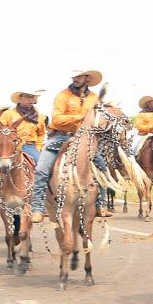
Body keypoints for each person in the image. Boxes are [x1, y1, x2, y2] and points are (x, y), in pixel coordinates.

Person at [31, 69, 109, 223]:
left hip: (84, 139)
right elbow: (57, 118)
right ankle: (38, 208)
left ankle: (100, 204)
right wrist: (80, 117)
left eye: (79, 76)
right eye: (74, 76)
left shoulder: (94, 98)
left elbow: (99, 118)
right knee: (41, 170)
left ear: (87, 78)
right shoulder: (63, 95)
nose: (75, 79)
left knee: (102, 167)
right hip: (60, 136)